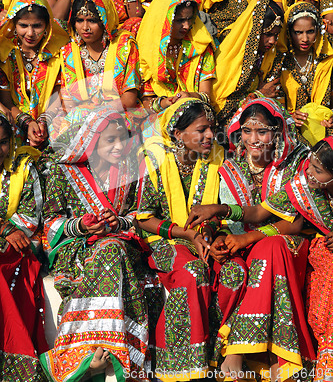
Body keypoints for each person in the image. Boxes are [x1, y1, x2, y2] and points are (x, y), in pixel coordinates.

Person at [201, 97, 316, 382]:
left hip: (289, 241)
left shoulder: (296, 161)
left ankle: (238, 353)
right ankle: (277, 363)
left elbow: (298, 221)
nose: (254, 140)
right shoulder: (230, 162)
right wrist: (216, 237)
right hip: (242, 243)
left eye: (262, 131)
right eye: (247, 131)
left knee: (270, 247)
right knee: (242, 261)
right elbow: (217, 214)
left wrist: (252, 236)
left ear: (277, 130)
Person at [136, 98, 248, 380]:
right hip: (167, 241)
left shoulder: (219, 158)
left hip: (205, 238)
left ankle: (217, 354)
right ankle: (181, 364)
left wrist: (211, 235)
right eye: (201, 130)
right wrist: (187, 234)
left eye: (211, 128)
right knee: (192, 272)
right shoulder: (155, 161)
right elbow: (144, 218)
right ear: (178, 134)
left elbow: (222, 210)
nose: (210, 135)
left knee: (235, 270)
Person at [39, 106, 148, 382]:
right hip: (77, 248)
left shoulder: (129, 172)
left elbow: (141, 215)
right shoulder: (63, 173)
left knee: (111, 249)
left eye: (123, 139)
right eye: (110, 140)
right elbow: (50, 222)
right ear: (91, 140)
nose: (118, 146)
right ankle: (95, 352)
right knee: (109, 251)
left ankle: (97, 351)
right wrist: (81, 226)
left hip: (119, 244)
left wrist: (119, 222)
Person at [253, 137, 333, 382]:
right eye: (309, 164)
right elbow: (259, 212)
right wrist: (221, 210)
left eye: (317, 171)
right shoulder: (303, 187)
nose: (308, 172)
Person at [0, 112, 48, 381]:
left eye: (4, 142)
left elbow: (30, 216)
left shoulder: (23, 167)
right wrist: (3, 228)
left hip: (18, 247)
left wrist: (9, 231)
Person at [58, 0, 141, 132]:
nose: (85, 28)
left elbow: (129, 99)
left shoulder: (124, 46)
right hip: (82, 119)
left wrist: (96, 114)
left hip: (120, 116)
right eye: (79, 21)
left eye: (92, 21)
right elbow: (67, 101)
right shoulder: (69, 53)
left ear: (105, 20)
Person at [0, 0, 69, 148]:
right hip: (15, 119)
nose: (30, 33)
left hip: (51, 117)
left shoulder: (59, 53)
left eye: (37, 26)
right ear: (14, 25)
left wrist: (43, 121)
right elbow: (6, 102)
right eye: (23, 25)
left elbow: (59, 96)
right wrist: (27, 122)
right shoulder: (5, 55)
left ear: (47, 26)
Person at [137, 0, 216, 119]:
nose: (186, 26)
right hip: (160, 116)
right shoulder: (148, 50)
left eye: (190, 19)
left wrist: (190, 96)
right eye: (179, 20)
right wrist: (165, 103)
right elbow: (146, 102)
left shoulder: (200, 47)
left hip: (196, 115)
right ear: (163, 20)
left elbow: (206, 95)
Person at [212, 0, 284, 133]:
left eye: (276, 35)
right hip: (223, 127)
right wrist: (258, 94)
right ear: (255, 30)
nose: (273, 41)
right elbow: (221, 106)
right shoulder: (233, 52)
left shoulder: (269, 56)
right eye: (268, 34)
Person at [276, 2, 333, 142]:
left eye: (310, 31)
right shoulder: (279, 62)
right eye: (298, 32)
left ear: (318, 30)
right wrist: (288, 117)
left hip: (326, 133)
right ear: (289, 32)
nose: (305, 39)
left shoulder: (328, 60)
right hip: (290, 134)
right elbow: (272, 103)